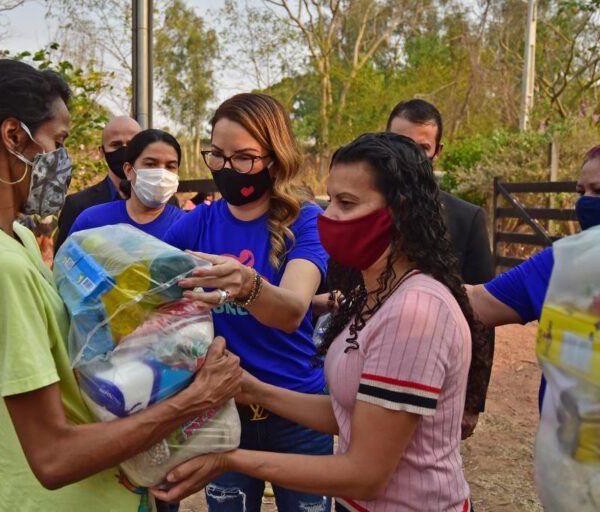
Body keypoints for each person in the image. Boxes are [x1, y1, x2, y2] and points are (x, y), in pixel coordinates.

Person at [0, 59, 241, 511]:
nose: (64, 161)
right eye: (58, 143)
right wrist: (195, 400)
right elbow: (53, 458)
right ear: (14, 137)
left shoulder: (2, 234)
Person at [154, 133, 481, 511]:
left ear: (398, 211)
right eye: (330, 200)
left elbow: (366, 474)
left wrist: (229, 459)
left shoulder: (415, 312)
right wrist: (253, 389)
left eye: (346, 203)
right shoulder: (373, 295)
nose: (328, 217)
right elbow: (350, 412)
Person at [163, 93, 331, 512]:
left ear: (275, 158)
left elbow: (292, 311)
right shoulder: (197, 223)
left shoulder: (304, 221)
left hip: (297, 410)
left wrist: (246, 284)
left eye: (244, 158)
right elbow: (151, 285)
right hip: (224, 413)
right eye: (217, 155)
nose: (227, 169)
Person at [386, 99, 495, 439]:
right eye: (400, 144)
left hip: (441, 376)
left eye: (421, 148)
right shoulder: (364, 211)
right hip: (374, 365)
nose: (409, 157)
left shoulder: (467, 219)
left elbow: (482, 315)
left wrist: (473, 399)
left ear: (437, 151)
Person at [466, 144, 600, 410]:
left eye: (599, 191)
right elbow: (477, 303)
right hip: (570, 442)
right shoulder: (561, 263)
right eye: (580, 191)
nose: (585, 201)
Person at [70, 129, 184, 239]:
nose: (161, 174)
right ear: (129, 170)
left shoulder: (190, 227)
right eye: (150, 164)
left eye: (170, 166)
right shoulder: (92, 221)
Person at [54, 115, 142, 252]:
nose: (125, 150)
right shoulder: (77, 205)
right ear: (102, 152)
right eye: (116, 145)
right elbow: (62, 263)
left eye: (131, 144)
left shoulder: (165, 203)